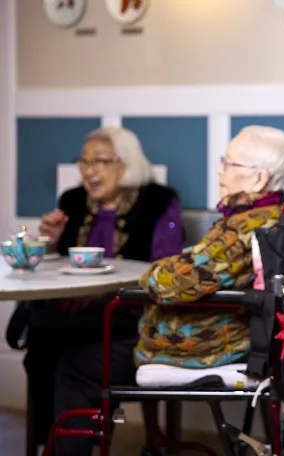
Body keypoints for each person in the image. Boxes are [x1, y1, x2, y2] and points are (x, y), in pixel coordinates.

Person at [20, 127, 185, 456]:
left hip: (128, 313)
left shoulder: (158, 201)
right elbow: (54, 267)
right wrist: (50, 242)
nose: (88, 170)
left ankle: (68, 441)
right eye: (83, 162)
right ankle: (58, 439)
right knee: (41, 346)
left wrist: (99, 294)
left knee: (52, 339)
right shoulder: (72, 201)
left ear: (126, 164)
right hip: (73, 316)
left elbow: (163, 269)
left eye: (100, 161)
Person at [135, 125, 284, 368]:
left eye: (228, 164)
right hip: (251, 334)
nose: (219, 170)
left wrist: (151, 273)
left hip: (221, 344)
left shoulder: (244, 228)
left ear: (259, 178)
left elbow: (167, 283)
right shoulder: (283, 216)